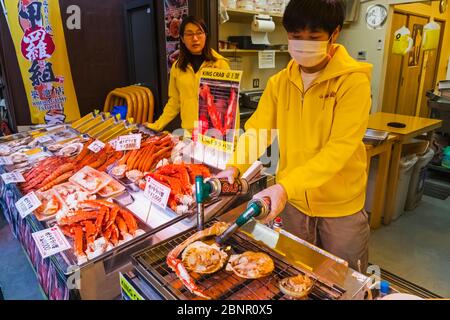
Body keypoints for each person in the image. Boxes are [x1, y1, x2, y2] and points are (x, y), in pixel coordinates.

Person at [218, 0, 373, 271]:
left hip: (340, 207)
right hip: (292, 203)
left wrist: (284, 187)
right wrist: (235, 166)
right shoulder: (280, 82)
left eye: (313, 38)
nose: (303, 44)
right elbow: (257, 130)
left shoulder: (353, 82)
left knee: (344, 279)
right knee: (296, 272)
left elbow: (339, 148)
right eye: (295, 36)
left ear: (334, 34)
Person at [147, 16, 231, 136]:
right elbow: (174, 102)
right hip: (188, 134)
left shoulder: (220, 64)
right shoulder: (177, 67)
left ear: (205, 35)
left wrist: (232, 137)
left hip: (214, 134)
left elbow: (230, 104)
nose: (195, 38)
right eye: (189, 34)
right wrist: (156, 125)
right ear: (182, 38)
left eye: (199, 33)